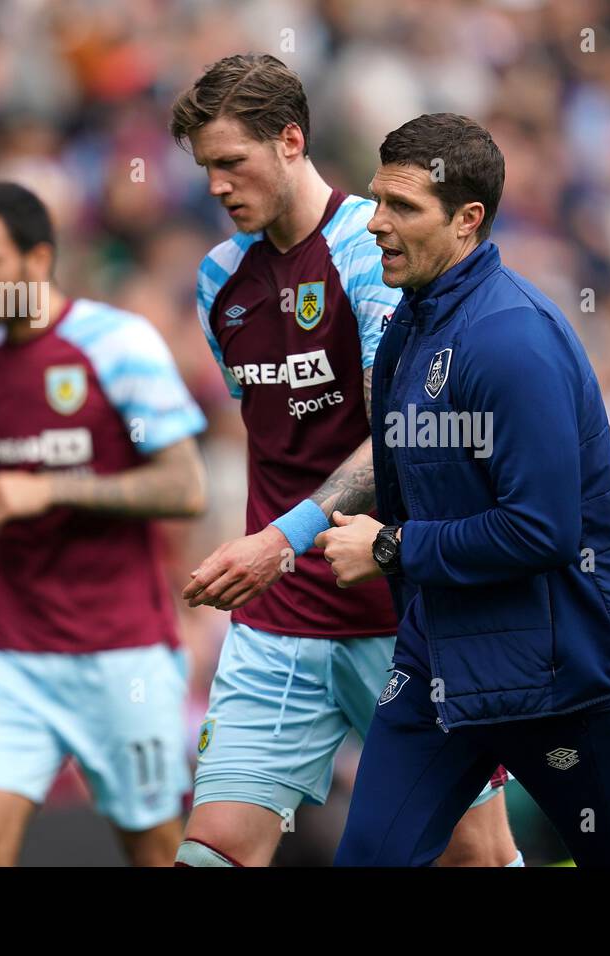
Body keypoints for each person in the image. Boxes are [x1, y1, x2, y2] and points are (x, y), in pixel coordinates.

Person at [171, 55, 519, 867]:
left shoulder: (375, 246)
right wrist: (270, 548)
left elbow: (396, 432)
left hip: (396, 610)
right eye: (205, 169)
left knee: (476, 853)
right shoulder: (218, 280)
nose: (217, 186)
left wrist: (281, 538)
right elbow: (279, 435)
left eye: (232, 162)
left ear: (291, 140)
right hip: (277, 619)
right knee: (213, 850)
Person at [318, 112, 610, 867]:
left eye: (403, 208)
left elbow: (540, 529)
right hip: (439, 663)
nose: (376, 223)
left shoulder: (513, 339)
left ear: (467, 220)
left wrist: (390, 548)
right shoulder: (409, 335)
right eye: (377, 200)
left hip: (558, 672)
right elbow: (412, 493)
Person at [0, 182, 208, 866]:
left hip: (120, 650)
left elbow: (185, 487)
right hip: (13, 655)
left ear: (37, 260)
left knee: (153, 849)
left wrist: (51, 491)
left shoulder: (117, 343)